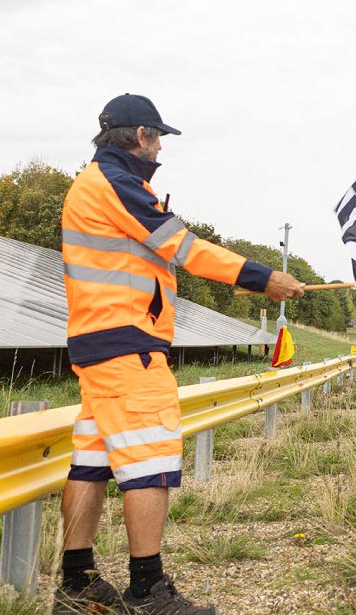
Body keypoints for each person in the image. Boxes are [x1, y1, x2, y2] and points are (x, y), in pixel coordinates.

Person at [54, 94, 304, 615]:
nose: (161, 146)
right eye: (158, 136)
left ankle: (76, 581)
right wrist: (264, 279)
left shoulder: (98, 184)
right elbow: (185, 249)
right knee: (150, 462)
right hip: (129, 348)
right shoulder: (116, 185)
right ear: (140, 134)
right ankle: (148, 591)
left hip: (100, 343)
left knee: (93, 461)